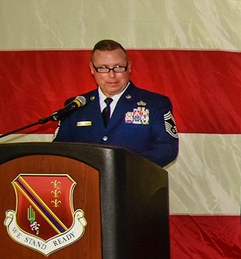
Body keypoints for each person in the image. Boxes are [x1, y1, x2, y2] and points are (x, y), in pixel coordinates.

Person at [53, 39, 178, 168]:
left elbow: (167, 149)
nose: (112, 75)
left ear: (129, 67)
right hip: (86, 183)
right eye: (103, 68)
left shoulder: (155, 104)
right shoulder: (76, 106)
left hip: (134, 183)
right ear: (92, 69)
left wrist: (123, 166)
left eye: (118, 67)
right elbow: (58, 151)